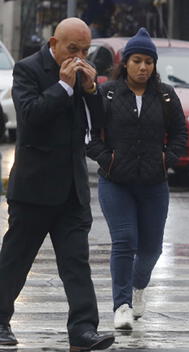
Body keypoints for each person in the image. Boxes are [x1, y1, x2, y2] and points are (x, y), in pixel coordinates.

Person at [0, 18, 115, 350]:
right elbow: (31, 117)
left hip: (72, 189)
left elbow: (101, 123)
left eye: (85, 50)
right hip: (34, 187)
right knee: (16, 258)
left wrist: (93, 90)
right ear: (54, 43)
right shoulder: (27, 70)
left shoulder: (84, 74)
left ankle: (83, 329)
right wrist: (63, 87)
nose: (79, 56)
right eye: (72, 49)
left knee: (76, 262)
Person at [86, 28, 187, 330]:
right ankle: (121, 305)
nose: (143, 67)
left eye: (149, 62)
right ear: (125, 62)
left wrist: (167, 158)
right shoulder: (109, 92)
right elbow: (90, 134)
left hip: (154, 183)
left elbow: (180, 133)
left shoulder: (166, 94)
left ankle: (137, 288)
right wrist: (107, 158)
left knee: (152, 248)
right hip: (116, 181)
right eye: (137, 61)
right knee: (125, 240)